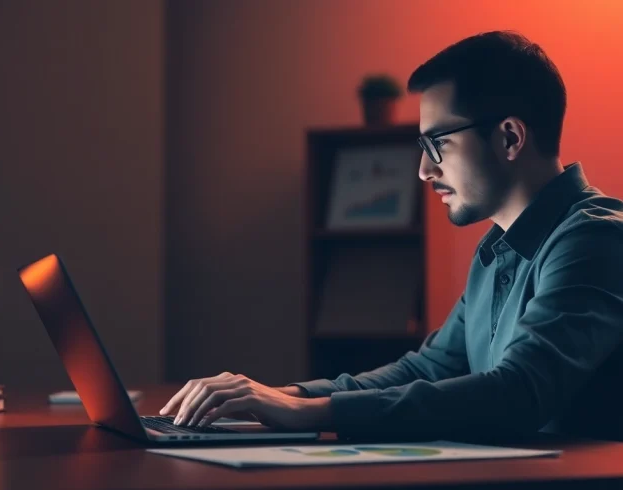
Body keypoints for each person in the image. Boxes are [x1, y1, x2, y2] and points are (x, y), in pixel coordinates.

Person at [160, 30, 623, 442]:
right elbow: (427, 369)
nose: (423, 171)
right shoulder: (495, 251)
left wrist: (305, 412)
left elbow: (519, 392)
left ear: (509, 138)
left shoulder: (595, 239)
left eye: (436, 144)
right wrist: (276, 396)